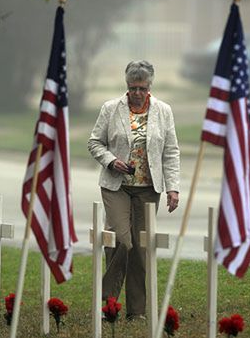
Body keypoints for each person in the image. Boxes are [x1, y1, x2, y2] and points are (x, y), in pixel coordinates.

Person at [88, 60, 180, 320]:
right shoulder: (110, 109)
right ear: (126, 86)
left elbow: (170, 152)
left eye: (142, 87)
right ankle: (107, 302)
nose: (137, 93)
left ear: (150, 86)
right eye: (132, 88)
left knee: (141, 248)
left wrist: (173, 188)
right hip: (117, 187)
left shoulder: (163, 111)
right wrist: (111, 161)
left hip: (149, 189)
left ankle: (136, 311)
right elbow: (94, 142)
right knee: (121, 240)